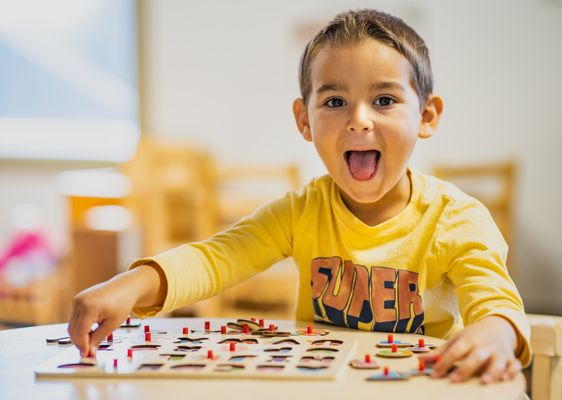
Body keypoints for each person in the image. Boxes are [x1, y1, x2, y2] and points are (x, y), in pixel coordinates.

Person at [68, 9, 531, 384]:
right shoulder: (300, 211)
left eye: (385, 100)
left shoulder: (458, 218)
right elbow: (217, 258)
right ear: (304, 120)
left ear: (427, 116)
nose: (360, 120)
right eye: (334, 102)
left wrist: (494, 334)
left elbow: (495, 303)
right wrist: (129, 285)